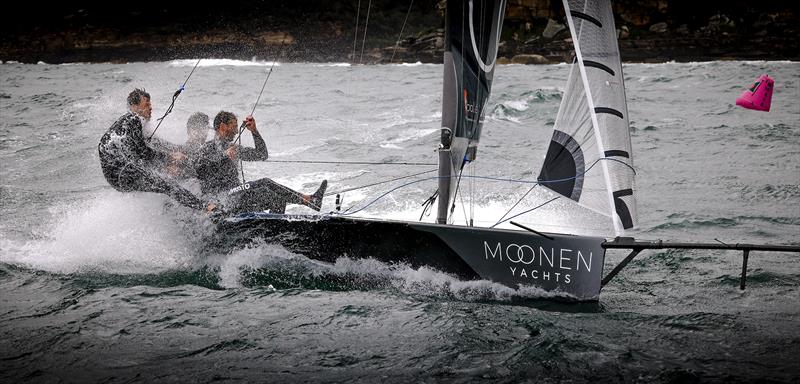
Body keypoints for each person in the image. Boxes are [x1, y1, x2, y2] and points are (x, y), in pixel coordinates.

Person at [98, 88, 210, 211]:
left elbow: (158, 144)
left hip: (119, 174)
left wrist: (183, 150)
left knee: (167, 176)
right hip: (121, 173)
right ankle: (205, 208)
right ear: (134, 106)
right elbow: (143, 153)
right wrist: (170, 158)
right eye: (146, 105)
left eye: (150, 104)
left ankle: (175, 209)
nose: (150, 108)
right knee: (168, 184)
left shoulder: (130, 124)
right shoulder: (133, 119)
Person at [193, 111, 327, 214]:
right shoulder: (208, 148)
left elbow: (262, 155)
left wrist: (254, 131)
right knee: (265, 183)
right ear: (222, 126)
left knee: (278, 198)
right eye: (233, 126)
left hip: (238, 194)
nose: (235, 131)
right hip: (221, 197)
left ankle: (276, 231)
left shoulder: (233, 148)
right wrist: (223, 156)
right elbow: (198, 166)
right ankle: (308, 200)